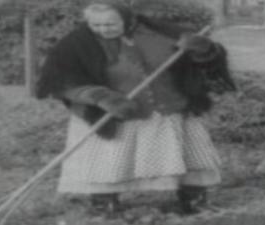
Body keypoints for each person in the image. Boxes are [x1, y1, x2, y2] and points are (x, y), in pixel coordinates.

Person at [36, 1, 236, 215]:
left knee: (193, 155)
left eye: (110, 24)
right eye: (96, 25)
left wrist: (204, 50)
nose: (103, 30)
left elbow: (202, 60)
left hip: (170, 105)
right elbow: (61, 82)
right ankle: (105, 206)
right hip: (115, 112)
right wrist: (101, 97)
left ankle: (195, 201)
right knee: (108, 159)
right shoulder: (75, 44)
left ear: (127, 19)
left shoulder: (160, 32)